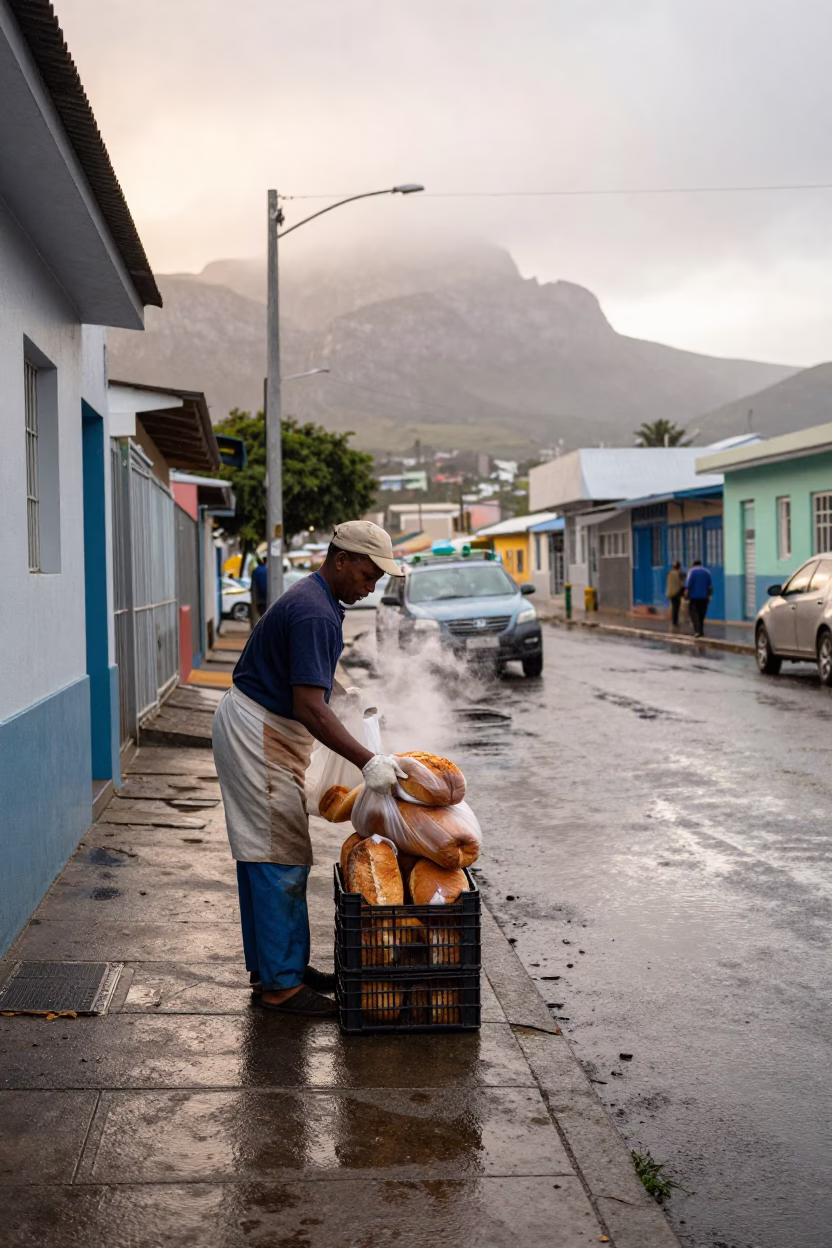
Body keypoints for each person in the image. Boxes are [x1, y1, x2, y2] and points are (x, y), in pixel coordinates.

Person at [212, 521, 406, 1018]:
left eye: (378, 579)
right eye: (367, 574)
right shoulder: (316, 612)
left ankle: (281, 969)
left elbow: (309, 674)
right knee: (281, 854)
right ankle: (281, 987)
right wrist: (370, 761)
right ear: (340, 559)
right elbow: (308, 707)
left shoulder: (316, 600)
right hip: (260, 732)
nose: (371, 586)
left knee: (266, 852)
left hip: (258, 724)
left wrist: (345, 693)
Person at [685, 558, 712, 638]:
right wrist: (709, 596)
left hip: (694, 597)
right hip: (704, 597)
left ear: (694, 565)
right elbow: (709, 586)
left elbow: (688, 586)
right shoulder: (707, 572)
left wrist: (686, 597)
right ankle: (701, 631)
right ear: (701, 564)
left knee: (694, 614)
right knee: (702, 614)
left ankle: (697, 631)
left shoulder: (692, 572)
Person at [666, 561, 685, 627]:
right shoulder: (679, 573)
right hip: (676, 593)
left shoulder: (669, 573)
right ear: (679, 567)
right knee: (676, 607)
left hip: (670, 592)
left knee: (673, 607)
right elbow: (682, 584)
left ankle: (674, 621)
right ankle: (675, 621)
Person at [249, 556, 268, 627]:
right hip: (266, 596)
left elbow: (253, 585)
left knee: (260, 613)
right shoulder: (267, 570)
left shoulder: (256, 570)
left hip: (258, 597)